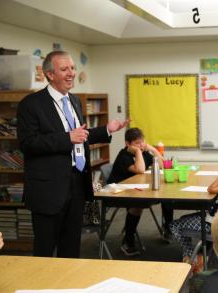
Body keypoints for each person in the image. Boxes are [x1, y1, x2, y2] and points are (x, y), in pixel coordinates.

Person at [17, 51, 129, 258]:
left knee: (71, 247)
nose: (71, 73)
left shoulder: (75, 101)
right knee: (44, 250)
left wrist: (106, 129)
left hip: (77, 183)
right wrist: (66, 138)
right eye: (64, 69)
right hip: (48, 189)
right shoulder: (31, 104)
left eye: (73, 68)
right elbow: (28, 143)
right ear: (50, 74)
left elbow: (80, 136)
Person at [108, 127, 174, 256]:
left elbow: (162, 165)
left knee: (168, 197)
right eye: (137, 143)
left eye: (142, 141)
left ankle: (168, 228)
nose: (141, 145)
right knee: (137, 205)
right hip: (118, 192)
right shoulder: (124, 156)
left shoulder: (144, 152)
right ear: (128, 144)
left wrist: (153, 149)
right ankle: (128, 240)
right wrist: (138, 151)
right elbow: (140, 169)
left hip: (135, 189)